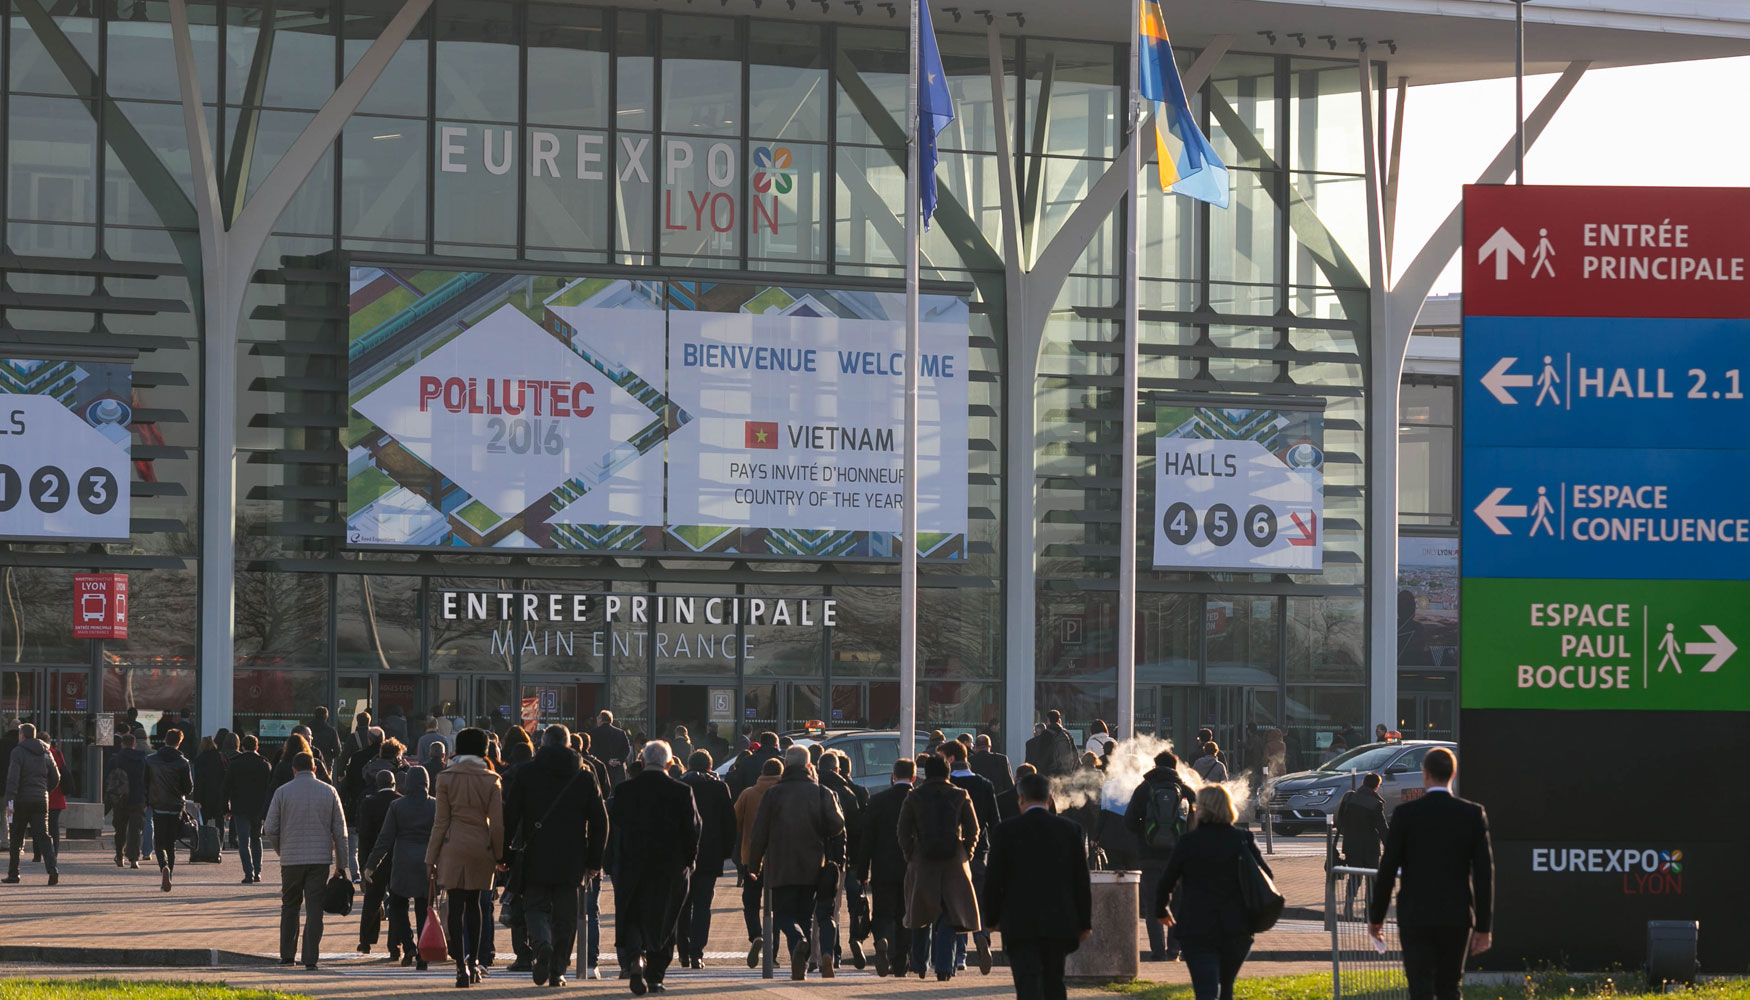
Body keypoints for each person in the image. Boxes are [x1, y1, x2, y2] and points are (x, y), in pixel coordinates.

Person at [1368, 748, 1493, 1000]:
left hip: (1415, 915)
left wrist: (1376, 918)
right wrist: (1483, 927)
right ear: (1453, 774)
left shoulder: (1405, 815)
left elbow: (1388, 868)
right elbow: (1483, 874)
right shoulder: (1472, 814)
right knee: (1449, 987)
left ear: (1425, 775)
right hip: (1456, 915)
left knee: (1419, 986)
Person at [505, 724, 608, 988]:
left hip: (535, 853)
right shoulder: (584, 774)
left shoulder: (527, 773)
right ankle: (557, 970)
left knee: (535, 907)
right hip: (572, 856)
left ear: (543, 743)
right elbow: (600, 820)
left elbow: (510, 815)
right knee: (566, 916)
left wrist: (504, 853)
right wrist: (594, 861)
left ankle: (541, 946)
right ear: (569, 744)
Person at [981, 772, 1092, 1000]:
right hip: (1059, 920)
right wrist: (1084, 922)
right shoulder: (1070, 830)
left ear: (1020, 798)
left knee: (1026, 981)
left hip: (1019, 922)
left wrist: (991, 919)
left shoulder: (1005, 832)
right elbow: (1081, 880)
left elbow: (993, 880)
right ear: (1050, 799)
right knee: (1054, 981)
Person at [1154, 785, 1270, 1000]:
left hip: (1197, 926)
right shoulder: (1242, 839)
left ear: (1201, 809)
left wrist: (1162, 909)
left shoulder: (1189, 842)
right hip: (1237, 927)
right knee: (1226, 987)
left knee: (1205, 989)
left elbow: (1167, 881)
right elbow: (1266, 876)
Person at [609, 740, 700, 996]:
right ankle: (656, 976)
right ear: (670, 763)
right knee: (666, 920)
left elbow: (616, 823)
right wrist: (690, 860)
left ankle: (636, 957)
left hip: (633, 865)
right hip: (669, 868)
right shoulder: (682, 791)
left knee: (633, 916)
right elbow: (692, 830)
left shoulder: (626, 790)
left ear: (643, 760)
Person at [747, 745, 846, 981]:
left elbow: (759, 832)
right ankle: (811, 959)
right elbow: (837, 825)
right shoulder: (822, 792)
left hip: (782, 865)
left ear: (786, 765)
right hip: (815, 865)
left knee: (782, 914)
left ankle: (797, 944)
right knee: (806, 915)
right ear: (809, 766)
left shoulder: (773, 794)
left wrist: (754, 865)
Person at [426, 727, 504, 988]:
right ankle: (474, 964)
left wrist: (431, 857)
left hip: (452, 846)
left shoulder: (446, 777)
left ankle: (459, 967)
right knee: (476, 905)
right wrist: (499, 853)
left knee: (455, 906)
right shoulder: (492, 779)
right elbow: (497, 825)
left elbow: (440, 822)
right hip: (481, 846)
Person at [898, 752, 981, 981]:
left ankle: (920, 964)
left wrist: (910, 854)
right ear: (948, 772)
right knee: (949, 915)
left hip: (923, 861)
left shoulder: (914, 796)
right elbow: (973, 829)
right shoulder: (960, 795)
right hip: (954, 863)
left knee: (922, 913)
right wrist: (966, 851)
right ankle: (945, 967)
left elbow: (903, 830)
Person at [264, 751, 348, 970]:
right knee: (314, 908)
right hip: (319, 859)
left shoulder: (282, 792)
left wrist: (281, 849)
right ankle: (310, 958)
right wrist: (341, 864)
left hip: (290, 859)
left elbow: (270, 828)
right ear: (315, 768)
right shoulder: (329, 791)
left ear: (293, 770)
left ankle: (287, 955)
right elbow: (340, 831)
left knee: (290, 905)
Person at [1125, 750, 1197, 961]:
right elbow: (1196, 821)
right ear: (1175, 767)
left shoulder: (1144, 788)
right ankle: (1174, 950)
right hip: (1179, 857)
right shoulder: (1185, 790)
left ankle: (1158, 952)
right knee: (1178, 903)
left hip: (1149, 855)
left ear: (1155, 766)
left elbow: (1128, 821)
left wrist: (1144, 835)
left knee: (1154, 902)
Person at [366, 764, 437, 971]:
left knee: (398, 906)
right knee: (425, 908)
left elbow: (385, 839)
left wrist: (371, 865)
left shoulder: (397, 806)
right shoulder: (435, 806)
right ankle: (424, 953)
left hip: (402, 862)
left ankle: (408, 945)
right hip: (426, 862)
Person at [940, 738, 997, 974]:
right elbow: (995, 822)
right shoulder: (984, 785)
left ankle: (958, 956)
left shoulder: (946, 784)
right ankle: (982, 934)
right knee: (976, 899)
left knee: (953, 903)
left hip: (950, 853)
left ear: (951, 759)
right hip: (978, 850)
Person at [855, 757, 915, 978]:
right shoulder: (918, 799)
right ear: (914, 777)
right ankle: (900, 963)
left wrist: (862, 871)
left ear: (893, 776)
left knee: (883, 912)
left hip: (883, 867)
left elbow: (867, 838)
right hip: (912, 869)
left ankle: (882, 940)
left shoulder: (878, 801)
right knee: (905, 915)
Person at [677, 749, 735, 970]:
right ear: (711, 767)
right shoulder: (719, 787)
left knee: (683, 905)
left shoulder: (680, 785)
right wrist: (727, 851)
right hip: (710, 853)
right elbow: (729, 822)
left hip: (682, 853)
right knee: (703, 904)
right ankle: (696, 953)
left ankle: (682, 951)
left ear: (689, 766)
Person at [733, 756, 783, 969]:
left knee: (751, 903)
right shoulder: (784, 794)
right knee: (778, 907)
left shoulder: (748, 794)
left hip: (751, 857)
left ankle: (755, 935)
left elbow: (734, 821)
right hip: (780, 859)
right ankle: (772, 954)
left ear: (762, 772)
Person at [4, 722, 61, 885]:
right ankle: (53, 869)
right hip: (41, 800)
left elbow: (13, 779)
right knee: (43, 836)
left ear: (22, 735)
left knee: (16, 837)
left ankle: (14, 874)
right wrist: (45, 790)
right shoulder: (46, 752)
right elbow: (56, 777)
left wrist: (10, 802)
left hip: (21, 801)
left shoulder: (18, 752)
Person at [357, 770, 402, 955]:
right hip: (398, 857)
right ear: (394, 783)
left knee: (372, 900)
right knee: (398, 901)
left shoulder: (368, 803)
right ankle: (395, 944)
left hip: (374, 858)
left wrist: (364, 864)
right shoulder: (400, 801)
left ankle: (366, 941)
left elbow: (364, 836)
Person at [144, 728, 194, 891]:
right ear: (179, 743)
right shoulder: (183, 762)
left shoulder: (151, 760)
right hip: (175, 807)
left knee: (159, 842)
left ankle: (163, 867)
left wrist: (147, 801)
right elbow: (188, 788)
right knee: (170, 843)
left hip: (158, 805)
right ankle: (169, 874)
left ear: (165, 740)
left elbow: (145, 783)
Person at [1335, 772, 1390, 917]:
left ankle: (1348, 909)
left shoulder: (1349, 797)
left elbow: (1338, 821)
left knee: (1354, 877)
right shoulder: (1375, 804)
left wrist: (1348, 834)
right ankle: (1368, 912)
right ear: (1376, 787)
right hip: (1370, 847)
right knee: (1372, 879)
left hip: (1351, 845)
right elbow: (1382, 828)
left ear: (1363, 783)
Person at [224, 734, 276, 884]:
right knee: (256, 838)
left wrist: (225, 807)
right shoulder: (264, 764)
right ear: (257, 747)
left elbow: (226, 787)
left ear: (243, 747)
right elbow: (269, 788)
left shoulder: (235, 764)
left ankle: (248, 872)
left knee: (243, 841)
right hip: (258, 808)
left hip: (240, 807)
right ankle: (258, 872)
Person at [108, 733, 151, 869]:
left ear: (122, 744)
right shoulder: (143, 759)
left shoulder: (116, 759)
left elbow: (109, 779)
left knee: (120, 829)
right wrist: (147, 799)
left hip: (120, 798)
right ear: (134, 745)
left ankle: (119, 856)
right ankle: (133, 859)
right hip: (138, 798)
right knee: (135, 829)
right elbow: (148, 780)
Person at [191, 735, 229, 850]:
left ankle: (203, 843)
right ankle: (219, 844)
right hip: (219, 794)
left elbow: (198, 781)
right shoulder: (220, 757)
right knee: (219, 820)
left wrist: (197, 799)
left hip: (204, 795)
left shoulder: (200, 759)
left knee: (203, 821)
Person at [727, 731, 783, 798]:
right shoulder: (783, 762)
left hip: (752, 801)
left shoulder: (747, 761)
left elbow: (739, 785)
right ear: (776, 746)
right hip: (777, 803)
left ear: (761, 744)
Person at [1023, 710, 1078, 778]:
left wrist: (1042, 772)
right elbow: (1075, 754)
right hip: (1065, 773)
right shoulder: (1066, 733)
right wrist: (1071, 770)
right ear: (1058, 720)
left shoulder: (1046, 734)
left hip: (1051, 774)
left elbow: (1042, 755)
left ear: (1048, 720)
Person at [969, 734, 1014, 802]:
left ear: (976, 747)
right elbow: (1009, 783)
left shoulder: (969, 760)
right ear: (989, 746)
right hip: (998, 798)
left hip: (977, 800)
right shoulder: (1002, 759)